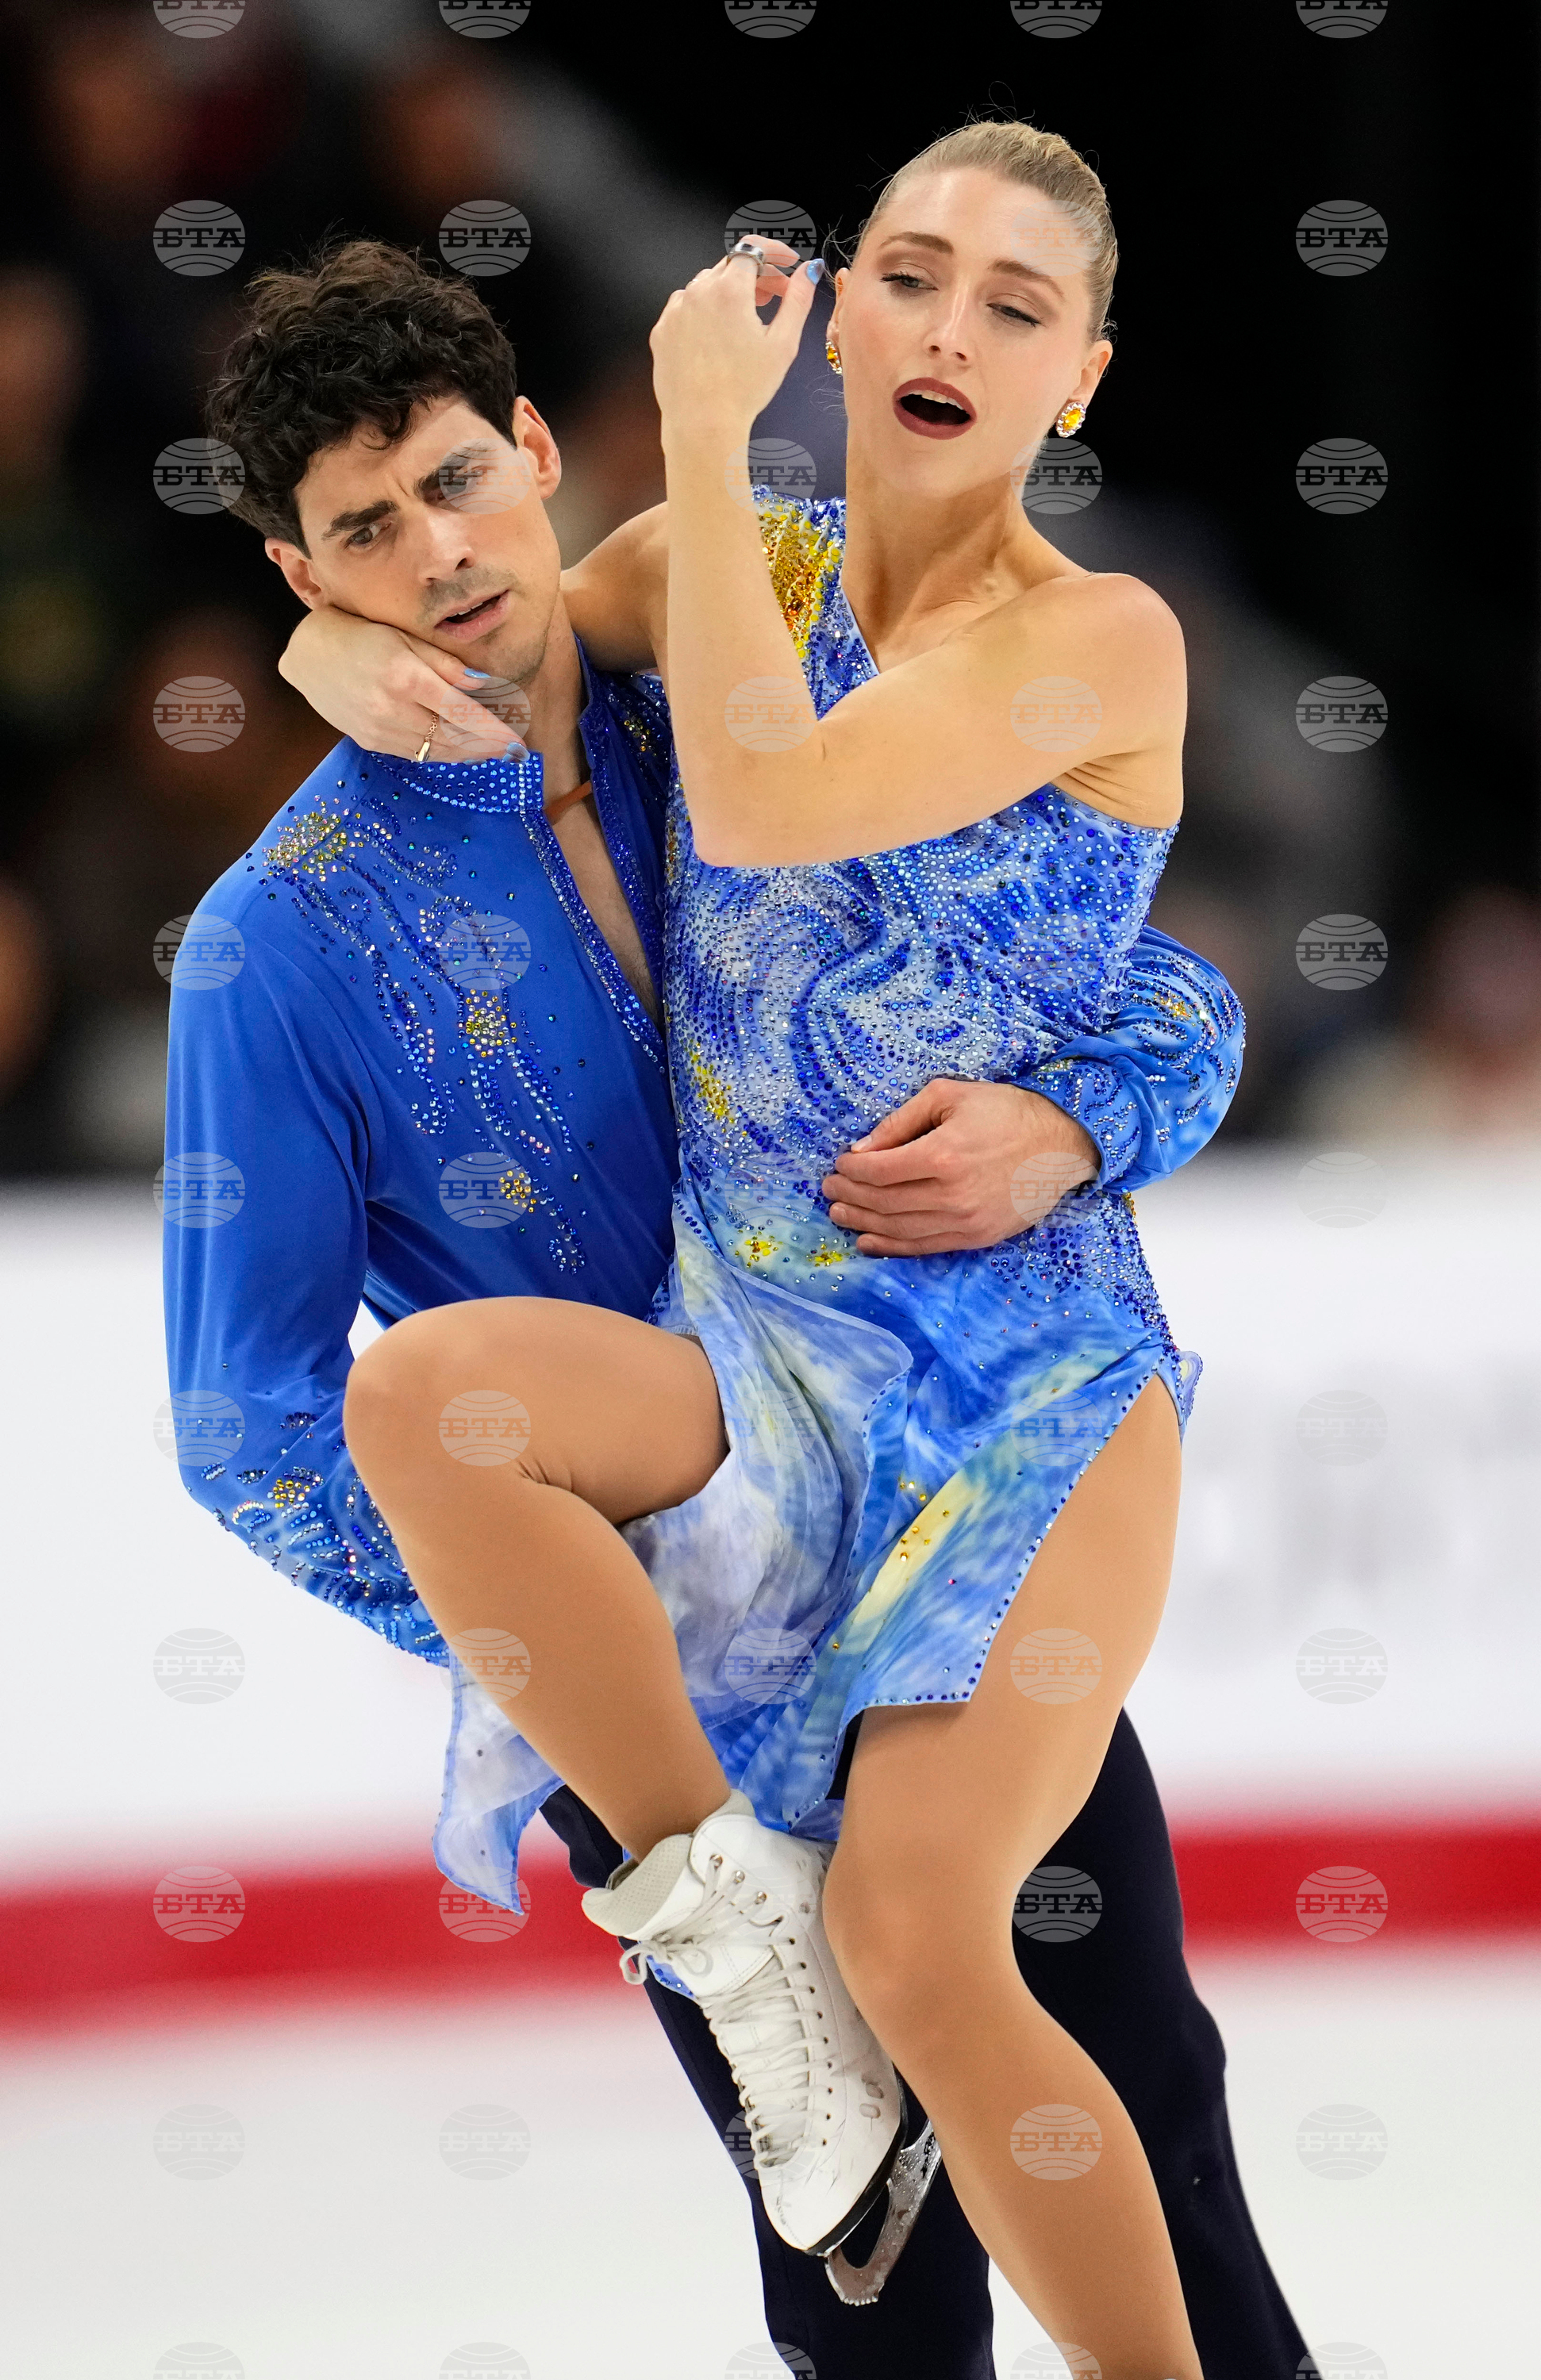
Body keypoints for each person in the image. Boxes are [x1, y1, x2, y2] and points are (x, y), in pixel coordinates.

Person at [167, 224, 1304, 2374]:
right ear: (304, 582)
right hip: (679, 1686)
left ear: (532, 451)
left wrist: (1071, 1127)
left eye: (454, 483)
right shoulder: (275, 947)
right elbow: (250, 1430)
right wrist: (584, 1609)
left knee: (1160, 2138)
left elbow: (1144, 971)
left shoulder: (732, 661)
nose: (438, 557)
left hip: (957, 1509)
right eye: (362, 536)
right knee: (877, 2311)